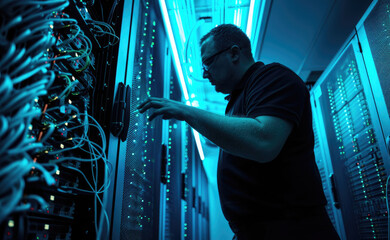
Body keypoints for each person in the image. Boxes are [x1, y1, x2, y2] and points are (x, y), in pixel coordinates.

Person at [137, 24, 339, 240]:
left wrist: (187, 112)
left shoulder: (273, 77)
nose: (205, 74)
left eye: (208, 62)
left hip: (291, 228)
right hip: (260, 229)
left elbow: (263, 142)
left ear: (234, 53)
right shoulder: (238, 99)